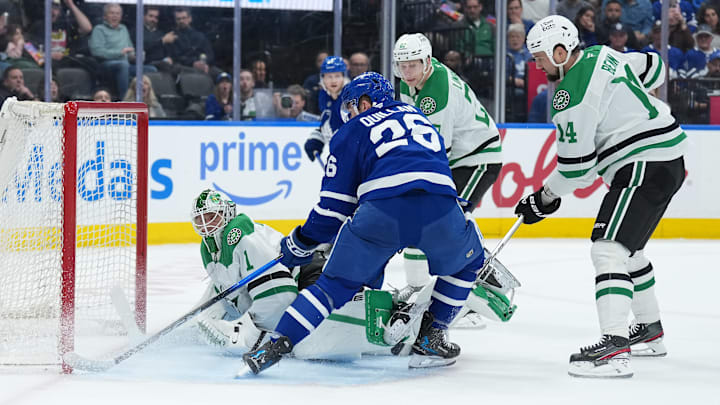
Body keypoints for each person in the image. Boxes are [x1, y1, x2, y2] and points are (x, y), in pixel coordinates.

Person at [240, 72, 488, 375]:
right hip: (440, 208)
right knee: (470, 261)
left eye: (352, 106)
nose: (351, 114)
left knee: (332, 286)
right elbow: (432, 170)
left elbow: (333, 210)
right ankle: (432, 335)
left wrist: (300, 242)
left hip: (382, 214)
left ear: (366, 102)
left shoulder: (352, 130)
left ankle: (274, 345)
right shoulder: (419, 117)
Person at [519, 15, 686, 378]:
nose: (537, 65)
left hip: (643, 162)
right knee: (630, 251)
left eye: (540, 57)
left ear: (560, 51)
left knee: (607, 248)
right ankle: (649, 329)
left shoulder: (570, 95)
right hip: (664, 158)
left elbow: (577, 168)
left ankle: (613, 347)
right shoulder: (602, 53)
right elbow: (654, 67)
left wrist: (543, 199)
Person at [392, 33, 502, 322]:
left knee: (440, 222)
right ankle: (423, 288)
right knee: (427, 220)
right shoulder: (412, 81)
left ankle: (469, 294)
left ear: (426, 62)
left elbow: (436, 151)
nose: (406, 72)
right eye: (401, 66)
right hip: (457, 160)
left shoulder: (436, 92)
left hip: (477, 160)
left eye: (412, 65)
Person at [303, 56, 348, 162]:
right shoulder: (324, 96)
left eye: (337, 76)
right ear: (322, 78)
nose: (333, 81)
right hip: (337, 153)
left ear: (343, 77)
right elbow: (328, 122)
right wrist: (317, 138)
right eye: (329, 76)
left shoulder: (350, 97)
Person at [88, 3, 134, 100]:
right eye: (112, 13)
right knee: (123, 65)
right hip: (105, 65)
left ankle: (150, 105)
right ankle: (125, 101)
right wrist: (120, 53)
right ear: (105, 16)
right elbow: (97, 51)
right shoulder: (99, 29)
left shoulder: (124, 29)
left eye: (117, 13)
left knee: (151, 69)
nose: (115, 16)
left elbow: (130, 48)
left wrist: (134, 55)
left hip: (126, 63)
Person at [164, 7, 217, 77]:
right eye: (178, 19)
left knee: (220, 74)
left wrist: (204, 63)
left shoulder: (200, 36)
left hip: (202, 64)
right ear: (175, 20)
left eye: (184, 18)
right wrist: (193, 63)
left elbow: (210, 54)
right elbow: (175, 57)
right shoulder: (171, 36)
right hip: (183, 67)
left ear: (190, 19)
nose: (181, 21)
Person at [302, 50, 329, 114]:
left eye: (325, 60)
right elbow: (306, 98)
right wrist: (318, 91)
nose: (323, 63)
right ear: (316, 63)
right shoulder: (311, 81)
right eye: (320, 61)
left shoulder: (340, 81)